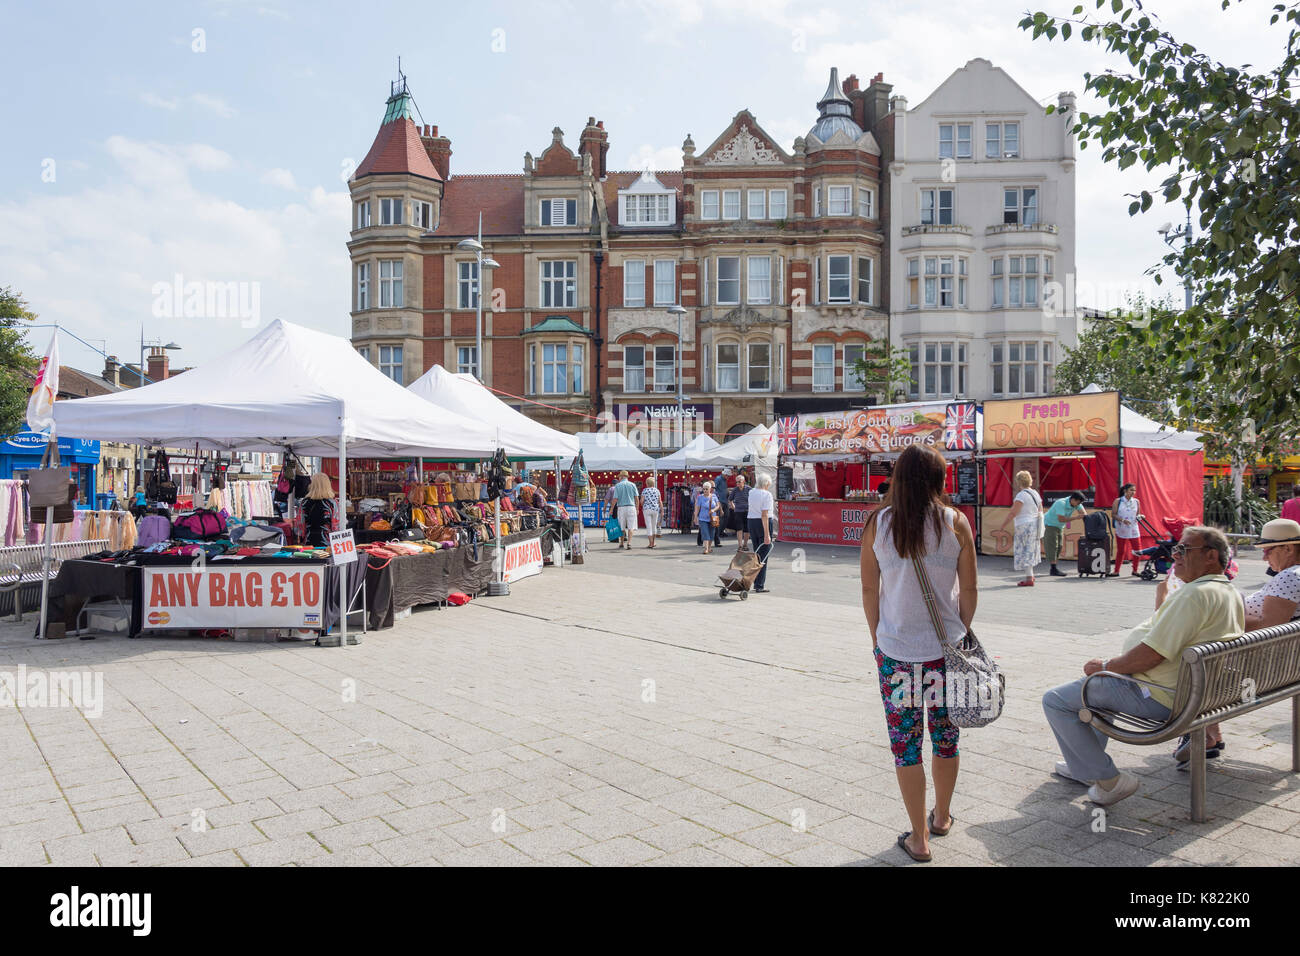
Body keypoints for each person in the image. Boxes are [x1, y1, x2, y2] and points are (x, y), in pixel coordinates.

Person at [1042, 526, 1243, 806]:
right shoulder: (1228, 591)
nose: (1176, 555)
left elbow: (1151, 655)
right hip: (1198, 693)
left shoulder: (1195, 595)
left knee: (1056, 700)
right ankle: (1087, 766)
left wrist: (1106, 664)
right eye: (1176, 549)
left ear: (1211, 556)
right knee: (1098, 690)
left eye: (1184, 549)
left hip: (1162, 696)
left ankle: (1109, 781)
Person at [860, 444, 978, 863]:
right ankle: (942, 817)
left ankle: (918, 839)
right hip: (946, 653)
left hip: (896, 653)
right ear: (938, 480)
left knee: (905, 746)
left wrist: (878, 640)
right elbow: (970, 590)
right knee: (947, 738)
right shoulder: (956, 522)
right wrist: (959, 631)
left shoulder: (878, 523)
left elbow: (870, 590)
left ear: (897, 478)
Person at [1169, 518, 1300, 764]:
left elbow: (1268, 630)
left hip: (1261, 671)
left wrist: (1227, 614)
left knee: (1190, 661)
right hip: (1287, 668)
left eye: (1268, 550)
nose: (1264, 559)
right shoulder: (1292, 576)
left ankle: (1199, 733)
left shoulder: (1289, 578)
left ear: (1288, 549)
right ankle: (1211, 734)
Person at [999, 470, 1043, 586]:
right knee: (1030, 549)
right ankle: (1031, 575)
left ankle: (1029, 578)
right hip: (1034, 525)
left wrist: (1003, 526)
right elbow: (1040, 510)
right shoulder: (1035, 493)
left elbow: (1013, 513)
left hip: (1024, 525)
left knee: (1024, 550)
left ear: (1019, 482)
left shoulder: (1021, 495)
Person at [1043, 492, 1087, 577]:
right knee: (1053, 546)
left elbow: (1083, 514)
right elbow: (1061, 519)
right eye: (1078, 503)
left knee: (1059, 546)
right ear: (1073, 499)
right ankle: (1053, 569)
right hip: (1049, 524)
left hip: (1059, 527)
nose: (1079, 505)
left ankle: (1054, 567)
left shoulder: (1076, 503)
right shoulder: (1061, 503)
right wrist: (1076, 518)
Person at [747, 473, 775, 592]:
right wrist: (767, 534)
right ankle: (759, 584)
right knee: (763, 555)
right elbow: (764, 515)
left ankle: (755, 581)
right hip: (763, 522)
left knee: (757, 553)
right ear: (766, 483)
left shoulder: (751, 492)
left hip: (752, 521)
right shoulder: (767, 494)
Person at [1112, 483, 1142, 576]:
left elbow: (1138, 514)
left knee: (1137, 549)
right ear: (1125, 490)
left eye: (1134, 490)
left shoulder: (1136, 501)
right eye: (1131, 490)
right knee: (1121, 551)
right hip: (1122, 528)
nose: (1133, 492)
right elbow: (1113, 514)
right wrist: (1122, 520)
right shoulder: (1118, 501)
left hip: (1133, 527)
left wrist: (1140, 517)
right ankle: (1116, 571)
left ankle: (1135, 570)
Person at [301, 473, 338, 548]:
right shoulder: (332, 503)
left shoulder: (304, 503)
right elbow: (336, 527)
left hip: (309, 543)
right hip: (327, 544)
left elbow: (299, 527)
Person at [612, 470, 640, 550]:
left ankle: (621, 543)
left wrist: (611, 509)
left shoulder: (618, 485)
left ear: (622, 477)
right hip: (631, 507)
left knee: (622, 526)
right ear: (627, 477)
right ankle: (629, 543)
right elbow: (636, 498)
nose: (619, 478)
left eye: (619, 477)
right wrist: (637, 508)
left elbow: (615, 499)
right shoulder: (632, 485)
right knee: (631, 526)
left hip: (621, 507)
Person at [695, 480, 720, 555]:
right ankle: (706, 548)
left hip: (713, 518)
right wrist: (695, 517)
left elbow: (718, 505)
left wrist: (713, 510)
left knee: (712, 533)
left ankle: (709, 547)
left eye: (706, 489)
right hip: (703, 518)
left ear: (710, 489)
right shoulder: (700, 497)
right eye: (704, 489)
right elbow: (697, 507)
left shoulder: (714, 496)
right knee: (705, 533)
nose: (705, 490)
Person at [730, 473, 751, 550]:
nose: (738, 483)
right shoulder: (735, 490)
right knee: (739, 529)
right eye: (737, 482)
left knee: (747, 529)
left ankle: (745, 545)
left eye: (739, 481)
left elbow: (753, 499)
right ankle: (740, 545)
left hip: (747, 511)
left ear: (744, 481)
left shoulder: (749, 489)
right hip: (738, 511)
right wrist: (733, 507)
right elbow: (730, 500)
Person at [640, 479, 662, 549]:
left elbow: (642, 501)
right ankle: (654, 542)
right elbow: (660, 501)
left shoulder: (645, 490)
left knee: (649, 526)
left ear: (647, 483)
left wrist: (642, 505)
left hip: (647, 509)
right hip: (655, 509)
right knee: (654, 525)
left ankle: (650, 543)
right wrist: (662, 510)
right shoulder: (657, 490)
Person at [714, 470, 731, 542]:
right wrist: (717, 499)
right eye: (728, 476)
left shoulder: (724, 480)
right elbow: (714, 489)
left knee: (726, 516)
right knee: (720, 517)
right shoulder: (718, 479)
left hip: (725, 501)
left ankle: (720, 532)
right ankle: (717, 533)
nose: (728, 477)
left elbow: (722, 489)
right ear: (724, 474)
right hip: (720, 501)